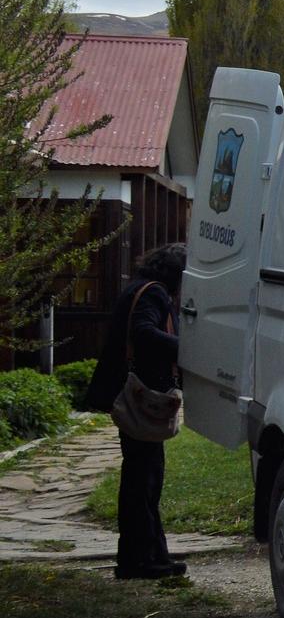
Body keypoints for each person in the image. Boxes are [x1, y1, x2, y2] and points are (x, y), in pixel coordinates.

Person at [86, 243, 187, 579]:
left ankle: (146, 556)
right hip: (141, 395)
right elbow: (143, 332)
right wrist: (186, 350)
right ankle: (142, 560)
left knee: (142, 477)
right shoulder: (153, 294)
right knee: (144, 479)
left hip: (133, 393)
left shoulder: (139, 288)